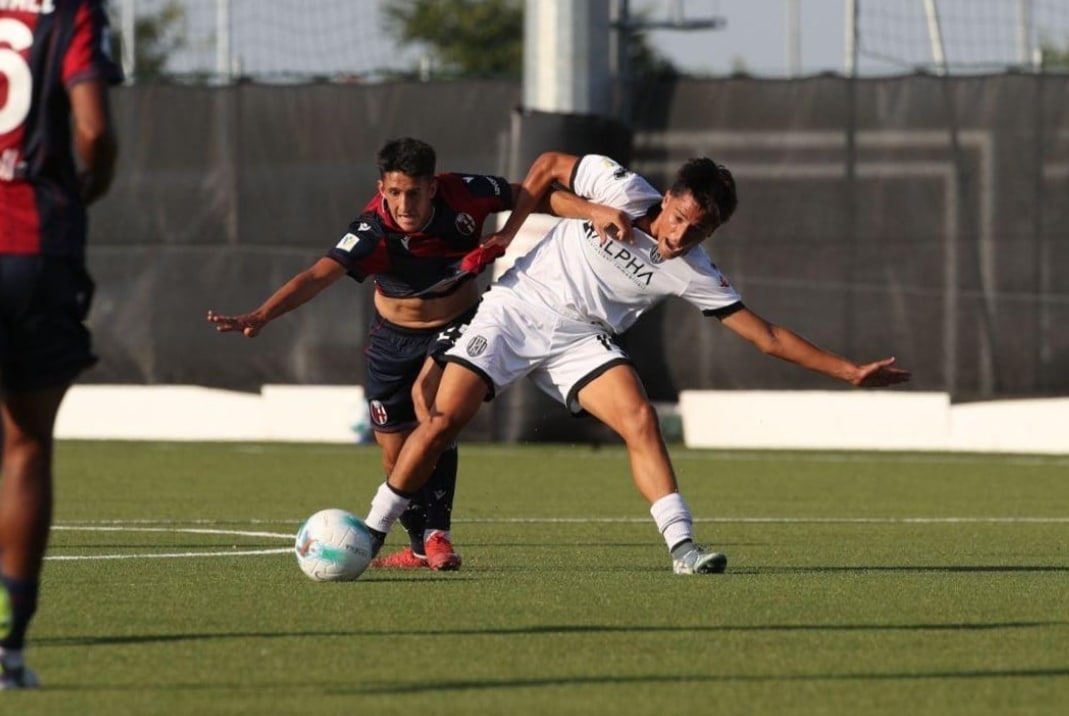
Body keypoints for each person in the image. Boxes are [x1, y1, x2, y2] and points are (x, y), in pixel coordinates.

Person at [362, 151, 912, 575]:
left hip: (581, 340)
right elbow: (550, 165)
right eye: (678, 217)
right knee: (440, 422)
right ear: (667, 196)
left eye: (698, 230)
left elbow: (766, 336)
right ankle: (371, 534)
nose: (679, 235)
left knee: (640, 419)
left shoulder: (694, 270)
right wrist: (515, 229)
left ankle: (684, 548)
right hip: (516, 309)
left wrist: (850, 372)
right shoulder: (618, 187)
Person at [207, 138, 630, 572]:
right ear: (382, 188)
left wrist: (593, 210)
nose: (403, 204)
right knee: (395, 452)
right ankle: (418, 546)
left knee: (432, 409)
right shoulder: (370, 233)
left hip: (460, 324)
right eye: (393, 193)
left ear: (432, 187)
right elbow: (317, 276)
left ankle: (438, 534)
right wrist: (262, 315)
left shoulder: (465, 193)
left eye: (413, 192)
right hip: (391, 339)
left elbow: (534, 195)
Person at [0, 0, 123, 690]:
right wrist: (89, 185)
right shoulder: (70, 9)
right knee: (24, 445)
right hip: (33, 246)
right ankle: (7, 653)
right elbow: (93, 128)